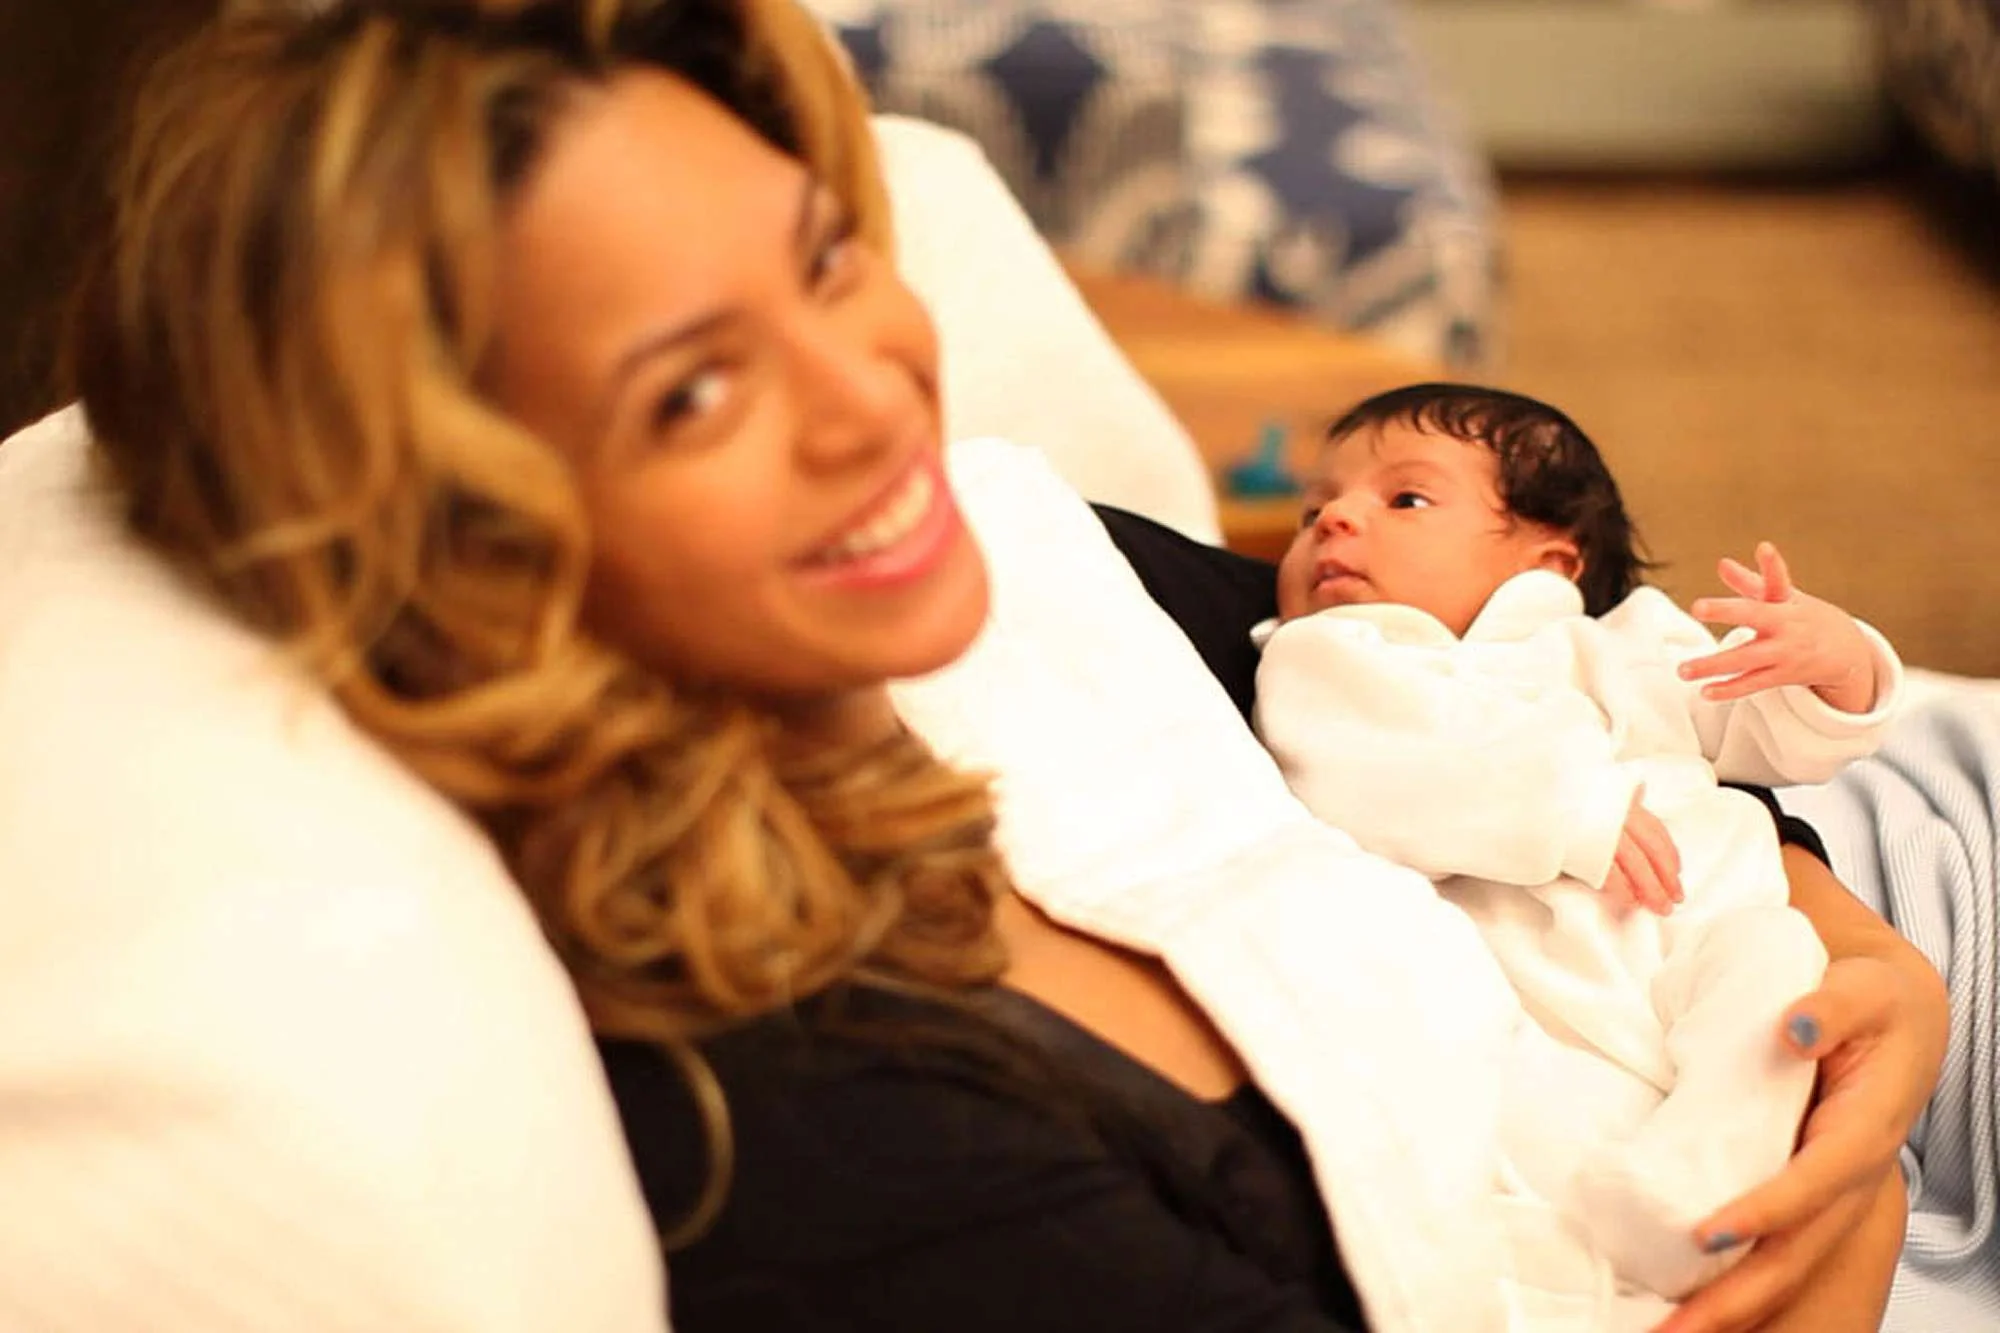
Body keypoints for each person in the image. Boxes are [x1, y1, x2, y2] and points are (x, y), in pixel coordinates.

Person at [56, 1, 1943, 1329]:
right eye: (693, 386)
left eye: (817, 261)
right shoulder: (821, 1138)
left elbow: (1502, 674)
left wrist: (1850, 955)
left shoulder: (1004, 563)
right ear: (475, 540)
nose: (868, 394)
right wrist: (1844, 1231)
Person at [1250, 384, 1905, 1307]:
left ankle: (1691, 1189)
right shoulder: (1333, 656)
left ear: (1551, 562)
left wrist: (1836, 666)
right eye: (1314, 511)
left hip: (1687, 936)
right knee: (1515, 1115)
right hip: (1524, 977)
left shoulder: (1627, 645)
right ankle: (1572, 1263)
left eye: (1405, 499)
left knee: (1779, 956)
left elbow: (1766, 736)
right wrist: (1570, 808)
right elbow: (1366, 772)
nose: (1335, 522)